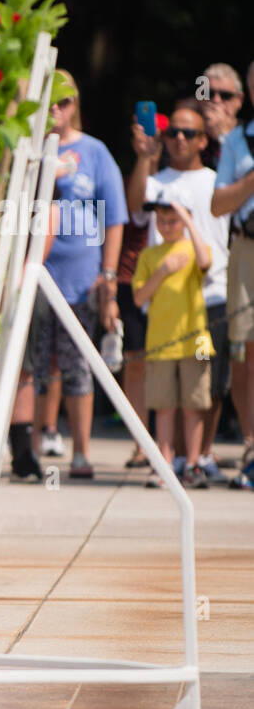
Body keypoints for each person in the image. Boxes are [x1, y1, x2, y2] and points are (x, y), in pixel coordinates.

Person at [24, 71, 126, 480]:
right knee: (34, 364)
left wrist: (109, 274)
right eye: (50, 100)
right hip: (35, 270)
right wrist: (46, 176)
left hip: (81, 276)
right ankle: (29, 449)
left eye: (64, 102)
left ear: (76, 106)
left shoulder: (95, 152)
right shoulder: (29, 151)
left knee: (78, 366)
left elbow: (114, 218)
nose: (56, 109)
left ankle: (81, 453)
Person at [128, 101, 228, 480]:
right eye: (174, 132)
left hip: (212, 296)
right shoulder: (156, 180)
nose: (180, 139)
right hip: (165, 313)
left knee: (209, 387)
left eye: (189, 133)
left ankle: (200, 458)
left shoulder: (218, 179)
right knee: (168, 396)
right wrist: (143, 158)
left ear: (204, 140)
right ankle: (172, 460)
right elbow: (135, 208)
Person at [132, 199, 213, 488]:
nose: (167, 226)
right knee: (163, 406)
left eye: (173, 220)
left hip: (197, 339)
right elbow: (139, 297)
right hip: (160, 341)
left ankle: (193, 464)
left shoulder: (194, 248)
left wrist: (190, 220)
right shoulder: (150, 255)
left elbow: (205, 263)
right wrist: (163, 271)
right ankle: (164, 463)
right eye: (162, 221)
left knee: (195, 405)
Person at [211, 60, 254, 483]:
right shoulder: (238, 141)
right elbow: (219, 204)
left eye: (226, 95)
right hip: (245, 248)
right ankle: (251, 444)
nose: (216, 103)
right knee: (242, 350)